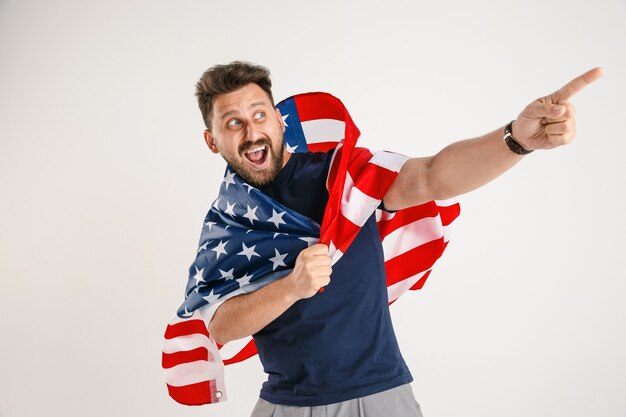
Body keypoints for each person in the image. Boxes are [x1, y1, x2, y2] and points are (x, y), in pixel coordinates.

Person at [188, 61, 602, 416]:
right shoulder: (227, 221)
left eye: (259, 115)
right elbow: (220, 325)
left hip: (380, 397)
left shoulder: (342, 173)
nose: (251, 132)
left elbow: (431, 175)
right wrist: (292, 288)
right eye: (233, 123)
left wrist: (515, 140)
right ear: (212, 141)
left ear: (281, 119)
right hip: (284, 404)